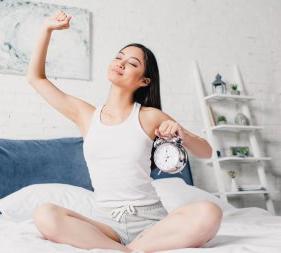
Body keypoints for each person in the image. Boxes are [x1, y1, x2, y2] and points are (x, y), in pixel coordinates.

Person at [27, 10, 222, 253]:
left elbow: (206, 152)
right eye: (119, 57)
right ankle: (123, 250)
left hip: (153, 223)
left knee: (210, 211)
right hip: (106, 225)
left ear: (144, 81)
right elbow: (36, 78)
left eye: (132, 63)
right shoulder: (85, 115)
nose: (120, 62)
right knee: (45, 214)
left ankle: (133, 248)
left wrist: (183, 133)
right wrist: (46, 29)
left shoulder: (150, 116)